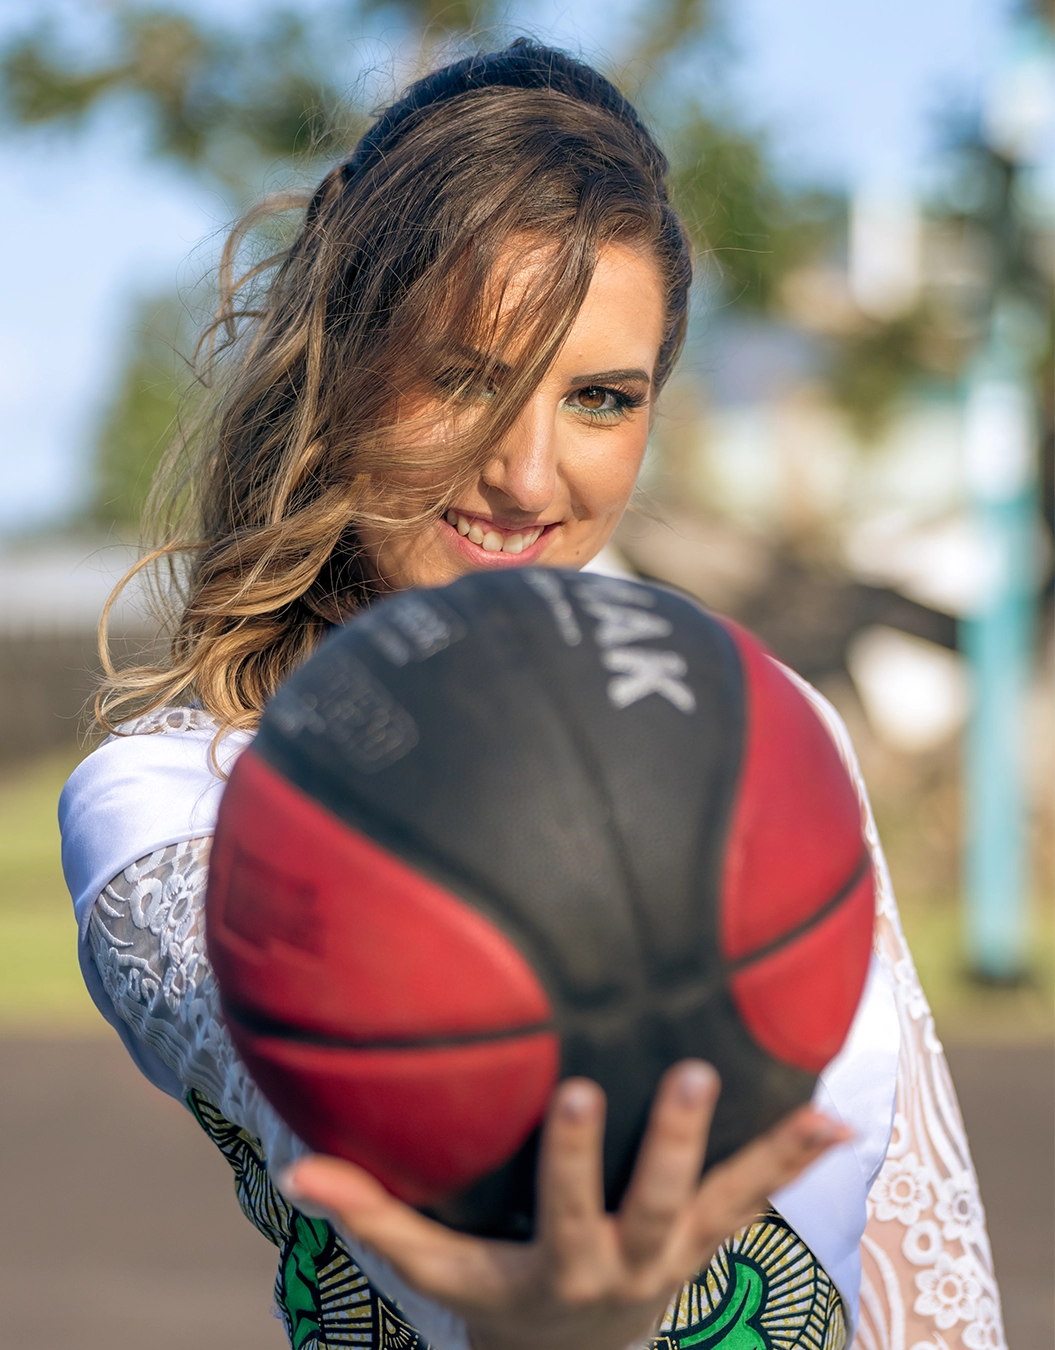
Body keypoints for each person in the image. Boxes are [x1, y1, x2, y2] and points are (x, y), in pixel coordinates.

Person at [59, 40, 1004, 1350]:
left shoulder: (759, 722)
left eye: (602, 398)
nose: (527, 472)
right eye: (465, 377)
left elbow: (929, 1279)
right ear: (344, 356)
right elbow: (455, 1258)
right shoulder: (169, 804)